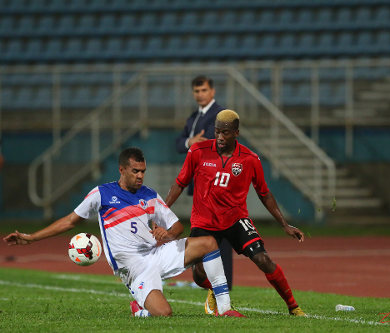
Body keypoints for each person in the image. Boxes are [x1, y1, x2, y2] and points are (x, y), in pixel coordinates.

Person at [3, 147, 244, 318]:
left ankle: (224, 309)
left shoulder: (150, 195)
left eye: (143, 171)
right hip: (134, 268)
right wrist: (31, 238)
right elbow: (70, 221)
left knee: (210, 242)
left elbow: (177, 226)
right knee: (164, 313)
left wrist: (167, 235)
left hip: (157, 253)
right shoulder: (102, 194)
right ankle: (139, 308)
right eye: (135, 171)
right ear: (122, 169)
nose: (140, 176)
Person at [165, 109, 307, 316]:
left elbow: (265, 194)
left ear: (236, 133)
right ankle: (214, 291)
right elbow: (179, 184)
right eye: (217, 132)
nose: (220, 137)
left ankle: (294, 307)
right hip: (204, 221)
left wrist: (284, 225)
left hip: (236, 219)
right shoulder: (197, 151)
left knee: (263, 260)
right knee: (198, 274)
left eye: (226, 132)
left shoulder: (250, 159)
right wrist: (162, 211)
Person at [174, 75, 234, 293]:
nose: (200, 94)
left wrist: (198, 144)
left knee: (220, 233)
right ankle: (206, 278)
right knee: (203, 232)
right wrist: (191, 142)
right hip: (201, 183)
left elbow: (218, 142)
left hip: (217, 183)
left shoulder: (221, 115)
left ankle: (222, 279)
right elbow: (180, 143)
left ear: (212, 91)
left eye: (204, 90)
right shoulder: (194, 117)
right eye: (197, 91)